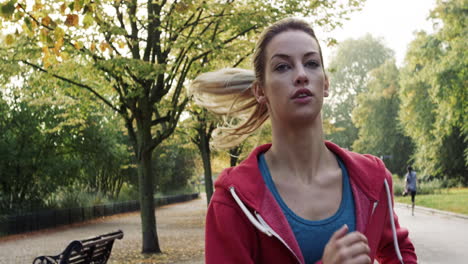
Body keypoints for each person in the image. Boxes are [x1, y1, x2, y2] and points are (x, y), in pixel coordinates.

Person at [190, 18, 417, 264]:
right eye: (282, 67)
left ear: (326, 83)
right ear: (260, 91)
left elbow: (399, 254)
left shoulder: (372, 179)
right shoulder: (234, 202)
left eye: (311, 63)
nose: (300, 75)